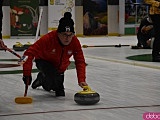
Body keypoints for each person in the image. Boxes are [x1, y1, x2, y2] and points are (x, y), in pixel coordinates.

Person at [22, 12, 88, 97]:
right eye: (64, 34)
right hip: (43, 61)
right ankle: (44, 77)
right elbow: (28, 53)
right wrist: (27, 74)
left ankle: (41, 79)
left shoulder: (75, 42)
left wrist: (81, 79)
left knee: (59, 93)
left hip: (60, 68)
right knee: (51, 74)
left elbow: (80, 61)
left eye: (70, 35)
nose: (67, 38)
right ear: (58, 33)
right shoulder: (48, 39)